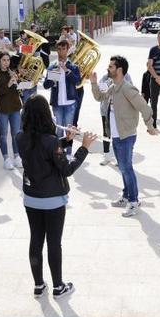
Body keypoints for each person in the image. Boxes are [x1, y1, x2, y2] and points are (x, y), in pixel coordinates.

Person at [17, 95, 96, 298]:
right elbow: (67, 169)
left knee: (36, 240)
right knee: (54, 243)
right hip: (52, 200)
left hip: (31, 198)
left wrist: (65, 140)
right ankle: (58, 286)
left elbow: (40, 149)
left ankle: (38, 285)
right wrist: (84, 147)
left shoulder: (20, 137)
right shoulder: (51, 142)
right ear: (45, 115)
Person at [90, 56, 157, 217]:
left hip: (126, 136)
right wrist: (93, 82)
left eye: (111, 67)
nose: (108, 69)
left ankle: (133, 202)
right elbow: (99, 97)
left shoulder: (127, 88)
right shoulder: (113, 86)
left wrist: (150, 126)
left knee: (127, 168)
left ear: (119, 70)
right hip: (115, 135)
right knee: (123, 168)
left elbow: (145, 108)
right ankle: (127, 196)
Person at [43, 40, 81, 156]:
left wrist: (67, 71)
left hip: (70, 103)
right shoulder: (52, 66)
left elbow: (77, 81)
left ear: (67, 50)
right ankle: (58, 154)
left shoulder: (73, 66)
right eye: (59, 49)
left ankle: (68, 155)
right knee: (58, 130)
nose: (61, 52)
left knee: (69, 131)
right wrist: (52, 77)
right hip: (57, 104)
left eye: (64, 49)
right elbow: (45, 85)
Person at [0, 51, 23, 170]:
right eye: (4, 60)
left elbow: (19, 91)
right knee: (3, 135)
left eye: (8, 60)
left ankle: (17, 156)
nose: (6, 62)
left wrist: (18, 82)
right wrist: (8, 85)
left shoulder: (12, 73)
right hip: (2, 109)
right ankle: (6, 159)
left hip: (15, 107)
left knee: (16, 134)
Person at [97, 69, 133, 165]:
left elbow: (130, 90)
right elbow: (100, 89)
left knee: (119, 135)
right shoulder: (106, 77)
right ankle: (106, 156)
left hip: (120, 112)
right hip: (106, 110)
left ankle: (119, 158)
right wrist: (108, 83)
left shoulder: (126, 76)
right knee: (106, 133)